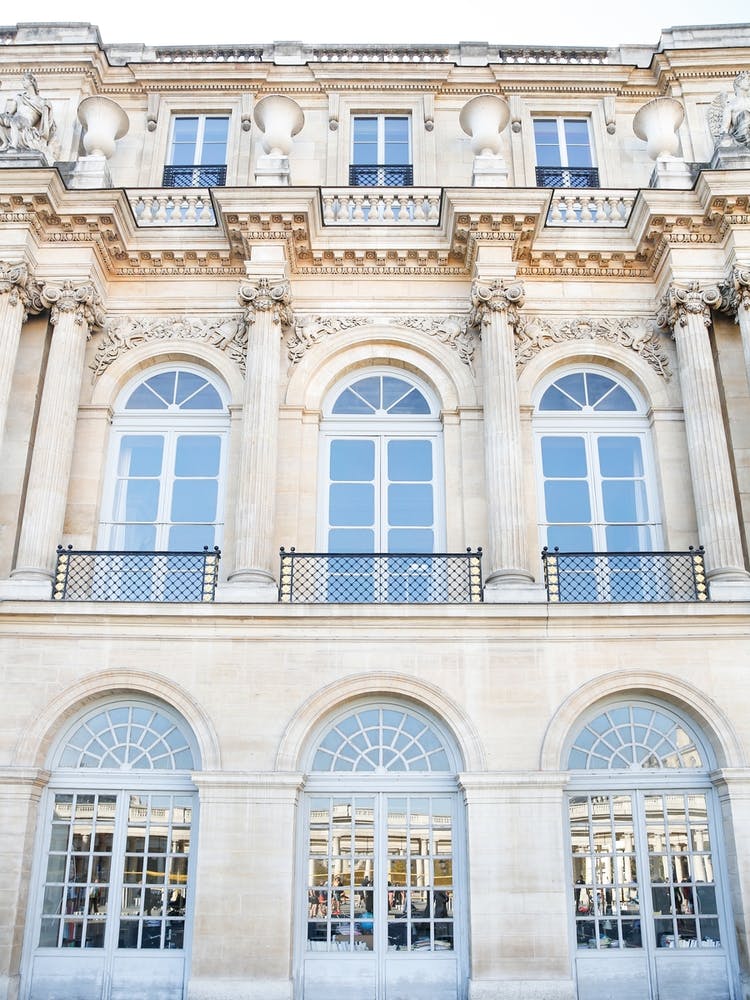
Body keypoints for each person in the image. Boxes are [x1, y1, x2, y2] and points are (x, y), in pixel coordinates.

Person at [0, 72, 56, 153]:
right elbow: (10, 112)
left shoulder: (42, 102)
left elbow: (46, 122)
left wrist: (44, 135)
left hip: (26, 122)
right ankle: (5, 142)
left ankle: (14, 145)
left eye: (24, 80)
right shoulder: (19, 97)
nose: (22, 82)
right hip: (15, 118)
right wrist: (5, 116)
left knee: (15, 121)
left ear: (31, 81)